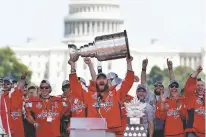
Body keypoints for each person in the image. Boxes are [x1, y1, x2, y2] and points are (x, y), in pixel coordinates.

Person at [69, 55, 134, 136]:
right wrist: (72, 65)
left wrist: (129, 63)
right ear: (95, 82)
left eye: (104, 79)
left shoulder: (115, 92)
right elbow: (75, 85)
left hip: (112, 132)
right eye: (99, 79)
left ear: (107, 82)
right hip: (94, 133)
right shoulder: (89, 93)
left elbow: (128, 81)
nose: (101, 80)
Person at [0, 73, 27, 137]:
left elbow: (20, 86)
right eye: (4, 84)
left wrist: (22, 78)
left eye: (8, 83)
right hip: (6, 127)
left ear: (12, 85)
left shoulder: (16, 93)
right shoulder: (2, 95)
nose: (5, 85)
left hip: (17, 127)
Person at [184, 65, 205, 137]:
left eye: (202, 85)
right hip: (193, 132)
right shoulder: (191, 98)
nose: (200, 87)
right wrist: (196, 72)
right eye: (198, 85)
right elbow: (188, 86)